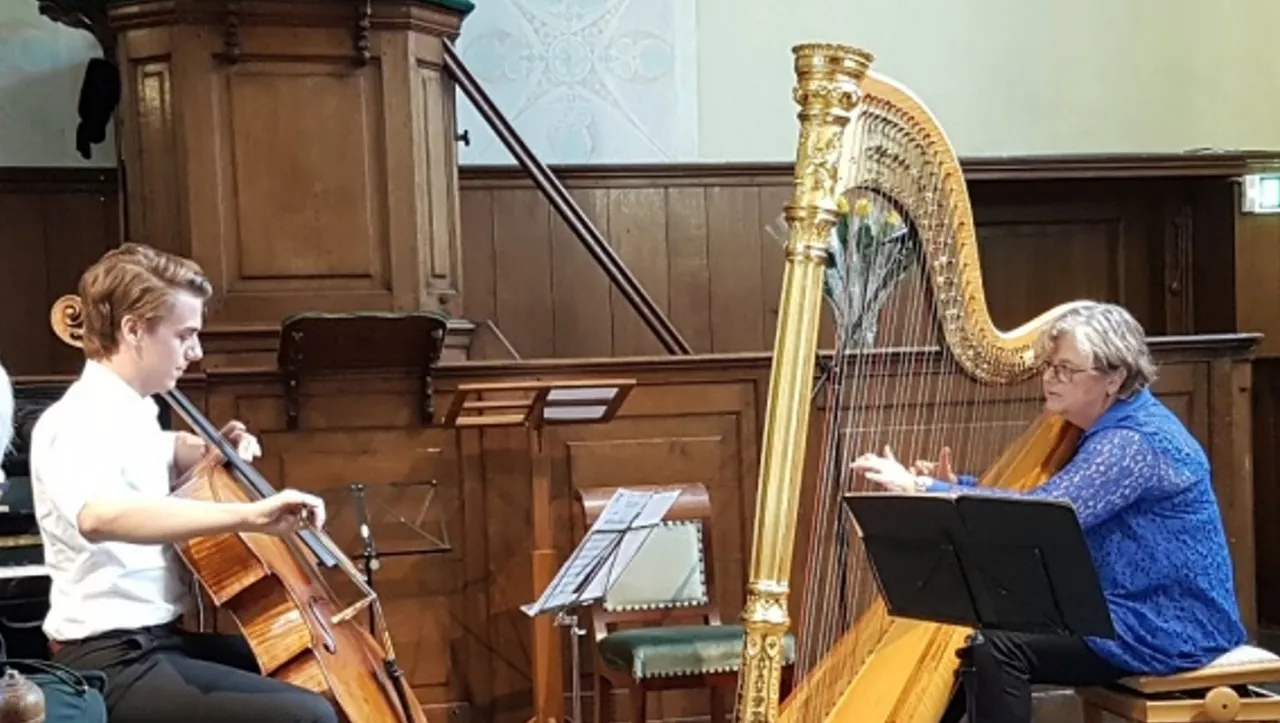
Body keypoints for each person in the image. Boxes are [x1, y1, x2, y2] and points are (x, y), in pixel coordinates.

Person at [851, 301, 1246, 723]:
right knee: (970, 627)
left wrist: (925, 488)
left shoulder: (1132, 444)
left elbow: (1038, 519)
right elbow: (1047, 502)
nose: (1051, 378)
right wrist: (958, 486)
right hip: (1119, 608)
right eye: (1050, 367)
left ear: (1114, 377)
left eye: (1067, 369)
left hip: (1165, 621)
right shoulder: (1100, 427)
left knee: (998, 647)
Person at [29, 243, 339, 723]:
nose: (196, 352)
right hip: (110, 660)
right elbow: (99, 515)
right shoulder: (73, 420)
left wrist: (208, 451)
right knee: (308, 715)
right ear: (133, 329)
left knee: (314, 672)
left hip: (161, 641)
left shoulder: (133, 411)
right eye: (185, 335)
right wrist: (249, 515)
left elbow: (160, 448)